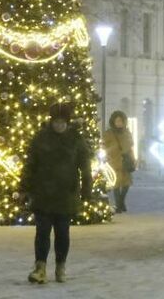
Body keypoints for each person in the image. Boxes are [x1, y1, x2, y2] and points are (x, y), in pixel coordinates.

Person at [19, 102, 92, 285]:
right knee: (42, 233)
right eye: (56, 122)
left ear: (67, 123)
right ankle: (40, 268)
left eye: (62, 122)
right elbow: (30, 165)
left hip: (65, 194)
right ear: (52, 122)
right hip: (43, 193)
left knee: (62, 233)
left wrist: (86, 190)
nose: (59, 125)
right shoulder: (41, 138)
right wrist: (23, 188)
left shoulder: (76, 139)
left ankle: (60, 267)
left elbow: (85, 167)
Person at [101, 110, 135, 214]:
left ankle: (120, 202)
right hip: (114, 161)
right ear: (113, 122)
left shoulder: (127, 133)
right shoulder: (109, 133)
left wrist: (133, 158)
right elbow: (103, 145)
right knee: (116, 184)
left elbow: (130, 146)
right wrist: (108, 154)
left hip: (126, 161)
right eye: (117, 121)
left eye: (121, 121)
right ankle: (119, 205)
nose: (119, 123)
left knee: (126, 183)